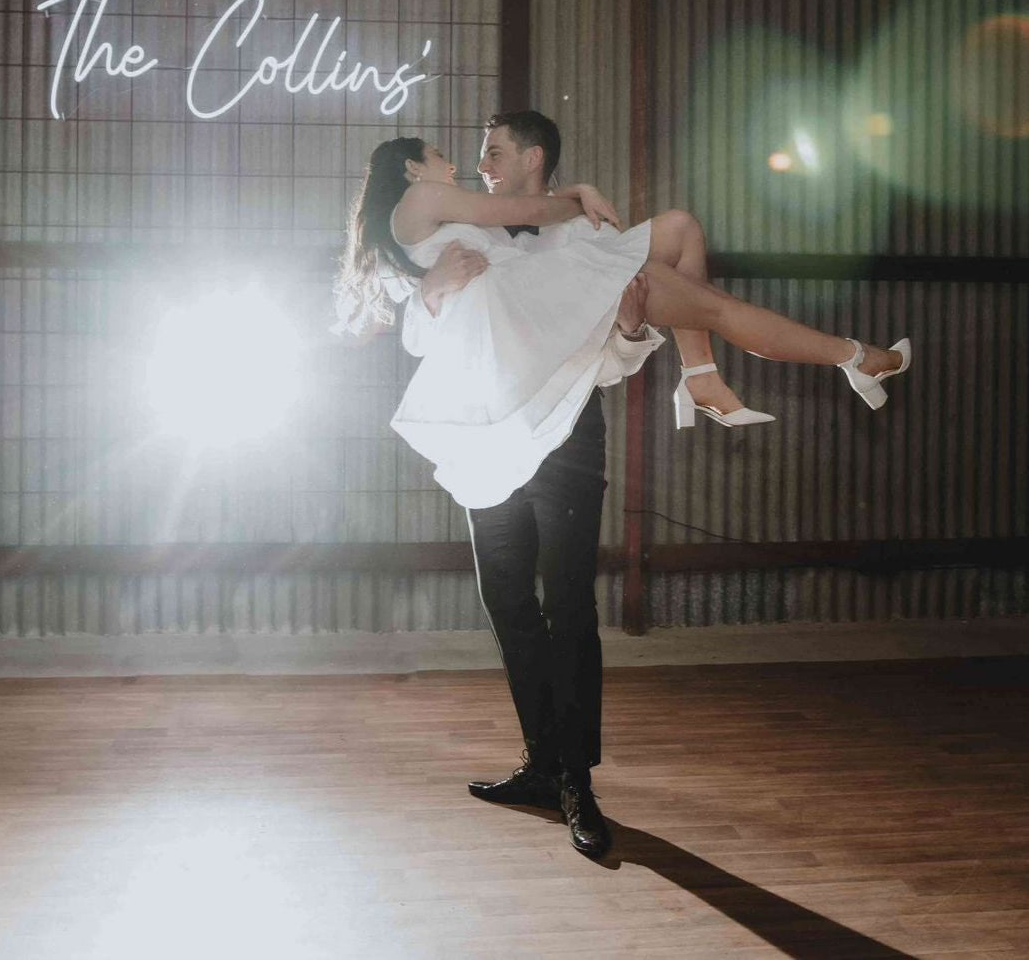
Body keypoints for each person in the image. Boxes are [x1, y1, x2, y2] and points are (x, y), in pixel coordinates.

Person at [335, 112, 911, 858]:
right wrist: (433, 288)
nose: (472, 164)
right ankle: (543, 764)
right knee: (508, 604)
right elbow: (422, 331)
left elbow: (600, 351)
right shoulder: (454, 225)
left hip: (566, 428)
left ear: (532, 158)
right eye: (458, 156)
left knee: (568, 602)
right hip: (492, 434)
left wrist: (633, 328)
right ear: (415, 171)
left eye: (492, 152)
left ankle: (575, 780)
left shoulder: (551, 235)